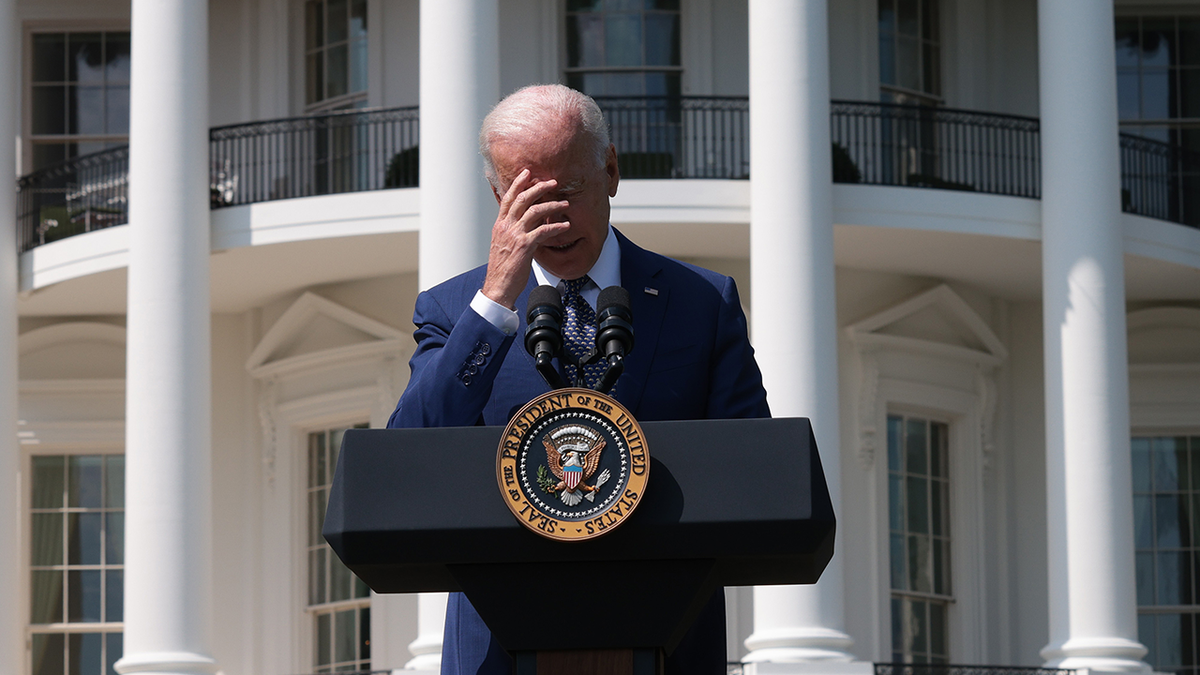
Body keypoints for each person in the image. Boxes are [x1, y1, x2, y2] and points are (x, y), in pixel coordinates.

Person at [387, 84, 769, 675]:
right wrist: (493, 302)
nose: (555, 221)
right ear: (498, 196)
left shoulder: (700, 301)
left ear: (611, 170)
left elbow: (754, 467)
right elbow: (409, 454)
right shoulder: (454, 310)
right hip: (500, 648)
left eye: (568, 191)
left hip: (666, 642)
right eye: (529, 202)